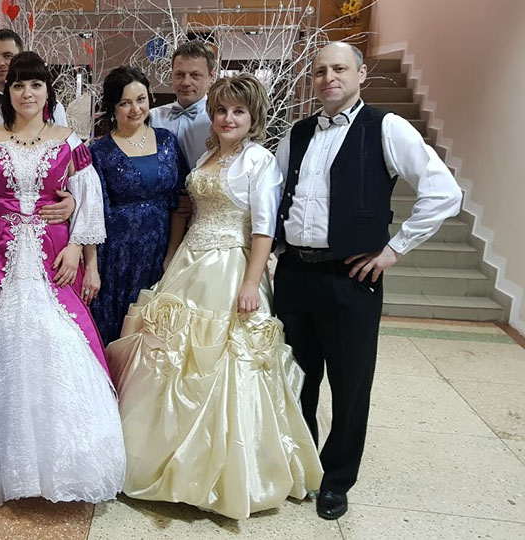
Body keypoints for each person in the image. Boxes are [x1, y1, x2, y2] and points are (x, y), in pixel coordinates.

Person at [106, 74, 323, 520]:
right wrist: (172, 255)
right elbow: (189, 212)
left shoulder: (259, 160)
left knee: (223, 360)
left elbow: (263, 228)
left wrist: (251, 283)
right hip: (190, 262)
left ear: (253, 117)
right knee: (170, 356)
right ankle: (160, 456)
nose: (228, 118)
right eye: (221, 110)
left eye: (238, 111)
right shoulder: (207, 155)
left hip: (230, 268)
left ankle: (224, 472)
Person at [273, 42, 462, 520]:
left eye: (339, 68)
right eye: (320, 71)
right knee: (295, 378)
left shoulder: (387, 127)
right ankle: (302, 466)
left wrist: (395, 249)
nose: (329, 78)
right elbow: (275, 195)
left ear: (361, 75)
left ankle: (336, 480)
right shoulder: (296, 133)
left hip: (351, 278)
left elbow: (444, 192)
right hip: (294, 274)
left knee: (350, 384)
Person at [0, 51, 125, 507]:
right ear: (7, 92)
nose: (27, 93)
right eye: (18, 85)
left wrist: (82, 253)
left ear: (48, 92)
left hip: (53, 255)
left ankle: (65, 457)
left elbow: (88, 201)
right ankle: (1, 459)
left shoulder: (69, 141)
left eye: (35, 85)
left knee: (58, 338)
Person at [89, 66, 188, 345]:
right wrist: (92, 266)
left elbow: (179, 202)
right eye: (125, 102)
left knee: (155, 331)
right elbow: (94, 213)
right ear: (113, 107)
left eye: (141, 99)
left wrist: (172, 253)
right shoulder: (99, 152)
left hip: (161, 249)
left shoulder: (167, 140)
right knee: (117, 331)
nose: (135, 109)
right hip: (117, 254)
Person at [0, 28, 75, 227]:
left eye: (7, 56)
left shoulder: (54, 108)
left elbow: (63, 164)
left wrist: (72, 201)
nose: (0, 63)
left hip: (47, 221)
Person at [149, 41, 218, 169]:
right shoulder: (153, 117)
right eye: (179, 75)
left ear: (211, 77)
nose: (186, 82)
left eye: (195, 75)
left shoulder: (220, 120)